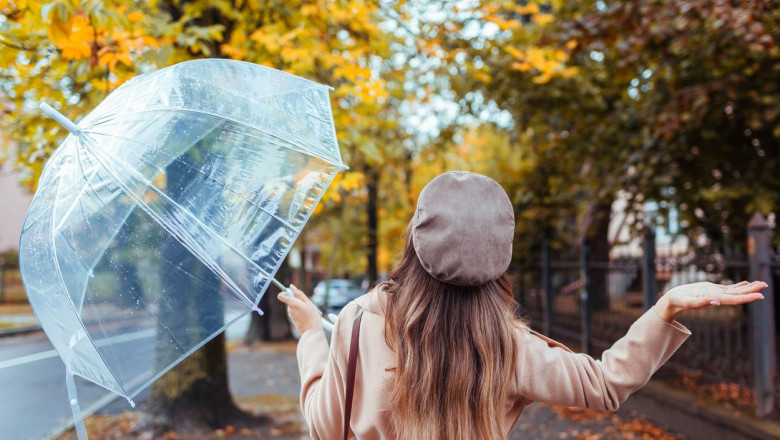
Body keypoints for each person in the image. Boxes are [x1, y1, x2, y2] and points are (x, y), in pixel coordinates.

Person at [277, 171, 766, 440]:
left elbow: (325, 424)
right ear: (501, 257)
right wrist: (663, 310)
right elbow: (604, 384)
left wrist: (309, 337)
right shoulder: (505, 345)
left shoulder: (358, 324)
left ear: (415, 244)